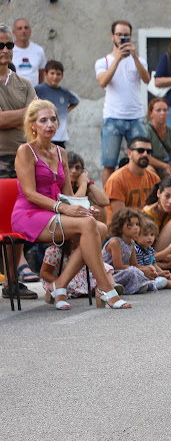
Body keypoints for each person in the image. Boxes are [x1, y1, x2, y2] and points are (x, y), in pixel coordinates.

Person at [11, 100, 131, 309]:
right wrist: (66, 209)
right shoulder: (25, 151)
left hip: (55, 212)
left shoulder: (61, 153)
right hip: (29, 214)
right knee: (88, 226)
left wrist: (82, 209)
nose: (50, 124)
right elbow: (30, 194)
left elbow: (67, 194)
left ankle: (60, 285)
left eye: (53, 119)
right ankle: (105, 288)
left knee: (99, 227)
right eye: (43, 120)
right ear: (32, 125)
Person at [0, 23, 39, 298]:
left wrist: (18, 116)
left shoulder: (23, 83)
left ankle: (11, 281)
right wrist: (24, 113)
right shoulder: (27, 90)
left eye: (9, 45)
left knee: (17, 221)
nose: (5, 50)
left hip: (22, 159)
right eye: (0, 45)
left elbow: (36, 118)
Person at [95, 20, 150, 186]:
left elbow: (147, 79)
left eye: (126, 35)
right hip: (113, 117)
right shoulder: (103, 61)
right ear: (112, 36)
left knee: (141, 160)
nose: (122, 38)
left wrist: (133, 57)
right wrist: (117, 59)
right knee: (109, 163)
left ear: (131, 37)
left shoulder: (139, 60)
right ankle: (108, 205)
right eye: (119, 34)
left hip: (136, 117)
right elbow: (103, 82)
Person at [102, 207, 165, 294]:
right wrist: (141, 271)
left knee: (137, 270)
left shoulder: (131, 243)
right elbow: (118, 266)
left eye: (137, 224)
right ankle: (142, 285)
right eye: (130, 225)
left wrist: (147, 268)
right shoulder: (115, 242)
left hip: (123, 272)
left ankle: (144, 284)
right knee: (133, 271)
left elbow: (135, 264)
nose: (136, 228)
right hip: (111, 275)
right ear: (120, 228)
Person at [103, 136, 161, 221]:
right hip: (123, 228)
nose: (145, 154)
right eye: (140, 150)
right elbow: (120, 216)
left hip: (148, 226)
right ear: (129, 153)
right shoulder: (116, 180)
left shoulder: (154, 178)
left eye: (149, 152)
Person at [34, 60, 79, 148]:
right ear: (45, 74)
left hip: (60, 136)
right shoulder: (38, 90)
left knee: (59, 160)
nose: (55, 76)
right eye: (52, 73)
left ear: (62, 76)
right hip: (42, 134)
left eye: (58, 74)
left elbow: (75, 102)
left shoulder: (65, 92)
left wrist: (65, 111)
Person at [67, 151, 110, 224]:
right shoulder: (61, 184)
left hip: (80, 219)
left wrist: (88, 182)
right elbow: (74, 205)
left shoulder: (80, 183)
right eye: (70, 167)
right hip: (64, 218)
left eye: (77, 168)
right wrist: (83, 183)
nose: (74, 171)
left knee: (101, 209)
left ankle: (101, 235)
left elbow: (105, 201)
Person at [144, 98, 171, 179]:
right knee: (150, 171)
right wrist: (166, 166)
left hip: (160, 166)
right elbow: (144, 156)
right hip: (144, 164)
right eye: (158, 110)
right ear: (151, 113)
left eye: (165, 110)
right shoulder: (146, 130)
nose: (162, 113)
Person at [11, 19, 46, 85]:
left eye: (26, 28)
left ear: (30, 31)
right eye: (20, 28)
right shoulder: (8, 51)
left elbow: (41, 74)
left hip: (34, 92)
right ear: (14, 32)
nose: (23, 31)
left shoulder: (39, 50)